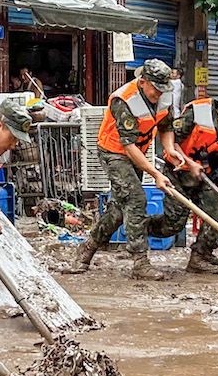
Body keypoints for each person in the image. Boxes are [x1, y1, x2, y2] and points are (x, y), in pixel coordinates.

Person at [67, 58, 177, 279]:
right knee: (136, 199)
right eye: (155, 89)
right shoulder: (124, 100)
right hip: (114, 152)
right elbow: (127, 145)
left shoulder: (163, 95)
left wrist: (169, 149)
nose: (158, 94)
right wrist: (155, 173)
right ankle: (140, 262)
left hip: (137, 151)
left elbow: (166, 126)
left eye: (162, 89)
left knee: (119, 209)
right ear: (143, 81)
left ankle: (86, 249)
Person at [151, 90, 218, 274]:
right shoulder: (197, 112)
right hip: (178, 172)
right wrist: (189, 162)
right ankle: (137, 228)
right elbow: (170, 139)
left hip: (204, 175)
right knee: (172, 225)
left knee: (216, 211)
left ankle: (199, 256)